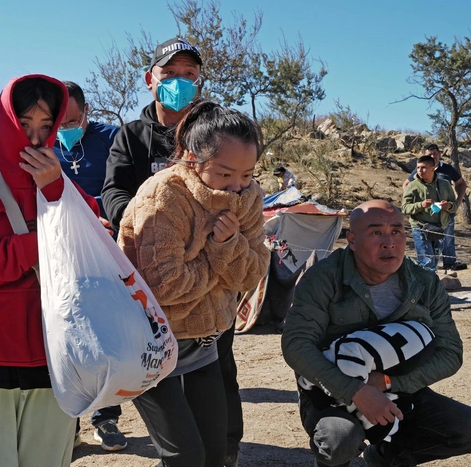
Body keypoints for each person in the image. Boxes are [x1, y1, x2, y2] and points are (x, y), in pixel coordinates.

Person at [0, 75, 101, 467]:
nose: (34, 139)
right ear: (5, 123)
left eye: (46, 127)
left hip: (54, 362)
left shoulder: (66, 190)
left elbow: (95, 251)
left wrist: (55, 189)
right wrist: (36, 244)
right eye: (24, 125)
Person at [102, 37, 244, 466]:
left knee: (219, 367)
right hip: (156, 279)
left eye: (189, 75)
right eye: (170, 74)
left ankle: (227, 450)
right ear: (150, 80)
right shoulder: (131, 136)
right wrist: (151, 225)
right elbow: (113, 191)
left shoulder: (215, 134)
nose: (180, 83)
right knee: (159, 365)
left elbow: (238, 188)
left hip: (211, 275)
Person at [118, 101, 271, 467]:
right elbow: (165, 287)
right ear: (190, 157)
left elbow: (253, 275)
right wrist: (220, 257)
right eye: (225, 174)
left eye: (247, 174)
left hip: (205, 341)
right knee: (185, 456)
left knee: (215, 454)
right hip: (149, 344)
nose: (236, 186)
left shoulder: (248, 198)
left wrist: (227, 245)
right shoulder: (164, 197)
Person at [282, 199, 471, 467]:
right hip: (330, 392)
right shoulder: (323, 278)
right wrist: (355, 390)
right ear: (352, 240)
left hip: (398, 390)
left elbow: (450, 353)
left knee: (465, 429)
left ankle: (384, 458)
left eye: (397, 231)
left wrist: (386, 383)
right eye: (375, 232)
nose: (389, 242)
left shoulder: (424, 283)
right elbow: (296, 345)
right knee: (340, 440)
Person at [54, 81, 126, 450]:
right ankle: (68, 425)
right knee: (64, 337)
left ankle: (106, 418)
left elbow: (123, 189)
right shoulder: (41, 144)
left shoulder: (113, 139)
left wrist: (97, 211)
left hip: (104, 255)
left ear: (86, 111)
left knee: (105, 337)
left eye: (72, 120)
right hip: (57, 259)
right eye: (58, 122)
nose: (64, 129)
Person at [403, 143, 467, 271]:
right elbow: (405, 207)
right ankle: (427, 288)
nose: (420, 171)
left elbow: (461, 185)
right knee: (427, 262)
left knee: (445, 245)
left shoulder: (445, 177)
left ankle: (449, 264)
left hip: (442, 221)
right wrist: (420, 204)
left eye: (435, 154)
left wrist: (452, 205)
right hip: (421, 225)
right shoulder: (414, 182)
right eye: (418, 168)